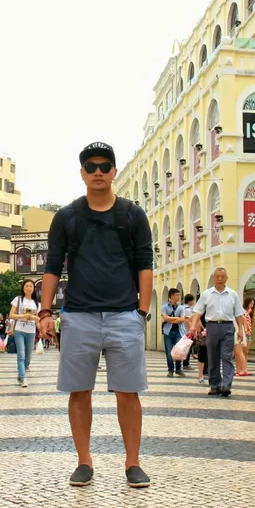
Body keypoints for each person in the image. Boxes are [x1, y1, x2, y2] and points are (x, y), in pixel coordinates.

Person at [38, 141, 153, 489]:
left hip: (124, 316)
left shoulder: (132, 215)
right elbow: (53, 266)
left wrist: (142, 313)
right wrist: (46, 311)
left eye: (105, 166)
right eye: (91, 166)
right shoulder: (67, 217)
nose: (98, 172)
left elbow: (145, 265)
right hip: (79, 316)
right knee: (79, 391)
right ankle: (84, 461)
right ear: (82, 174)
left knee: (128, 392)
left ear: (115, 171)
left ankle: (132, 462)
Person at [188, 267, 244, 398]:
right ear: (214, 278)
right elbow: (198, 311)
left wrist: (241, 330)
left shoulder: (232, 294)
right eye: (217, 276)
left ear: (226, 278)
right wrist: (193, 326)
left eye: (222, 276)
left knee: (226, 357)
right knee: (212, 357)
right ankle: (214, 385)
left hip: (228, 327)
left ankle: (226, 385)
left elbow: (239, 314)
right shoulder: (207, 294)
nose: (219, 279)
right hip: (212, 327)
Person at [10, 280, 40, 387]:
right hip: (19, 330)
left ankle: (21, 372)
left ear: (33, 288)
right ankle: (23, 378)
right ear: (23, 288)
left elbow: (37, 319)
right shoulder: (18, 300)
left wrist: (41, 330)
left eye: (31, 286)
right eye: (26, 286)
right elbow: (11, 315)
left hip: (31, 331)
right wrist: (23, 316)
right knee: (21, 355)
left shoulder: (36, 303)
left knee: (28, 358)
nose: (28, 288)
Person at [161, 289, 187, 378]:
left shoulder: (181, 307)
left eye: (179, 295)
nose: (178, 297)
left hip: (179, 331)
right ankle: (170, 370)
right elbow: (165, 318)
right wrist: (177, 318)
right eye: (176, 295)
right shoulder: (164, 307)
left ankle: (178, 369)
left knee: (179, 351)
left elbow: (183, 319)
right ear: (171, 296)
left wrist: (170, 319)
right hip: (168, 332)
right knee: (169, 352)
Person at [236, 298, 255, 377]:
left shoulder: (248, 313)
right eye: (251, 303)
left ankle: (243, 368)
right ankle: (241, 369)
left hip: (248, 333)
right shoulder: (243, 311)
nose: (252, 305)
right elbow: (242, 318)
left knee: (246, 352)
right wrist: (248, 312)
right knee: (241, 351)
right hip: (244, 333)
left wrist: (253, 319)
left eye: (253, 304)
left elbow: (248, 323)